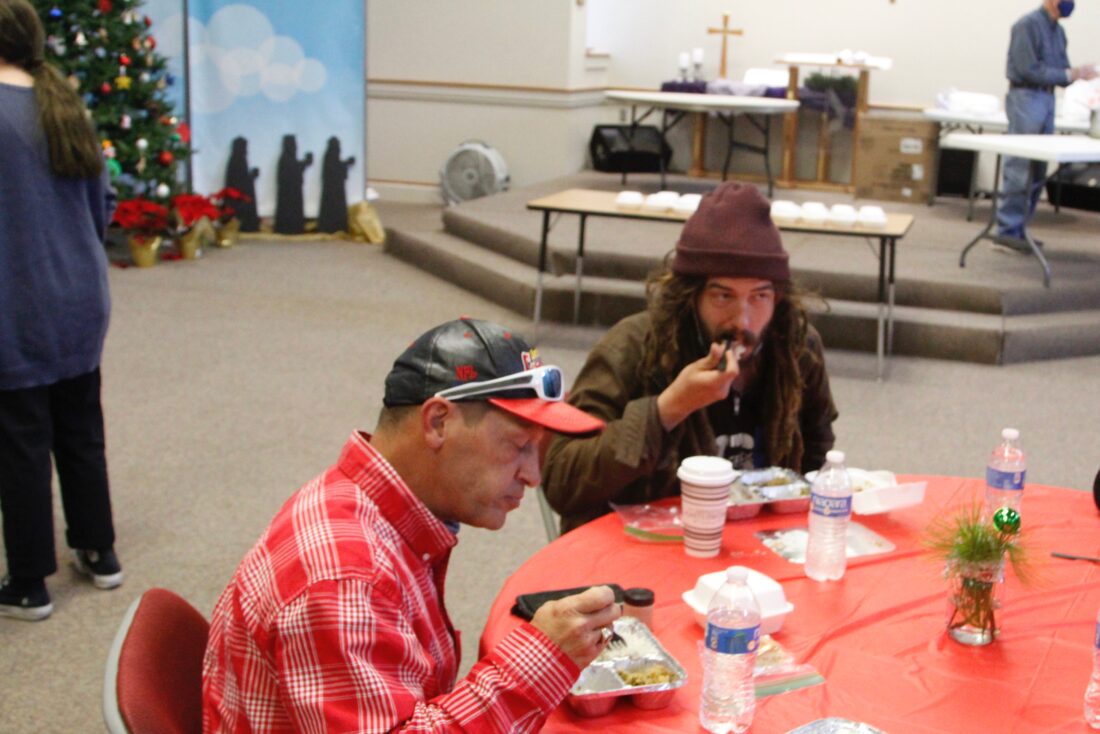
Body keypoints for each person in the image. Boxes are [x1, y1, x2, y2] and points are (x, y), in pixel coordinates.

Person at [202, 318, 620, 733]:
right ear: (438, 422)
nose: (533, 475)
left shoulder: (368, 512)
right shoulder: (346, 579)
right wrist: (536, 663)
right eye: (519, 445)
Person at [543, 182, 838, 533]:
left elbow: (816, 456)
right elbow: (562, 481)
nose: (742, 320)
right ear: (691, 297)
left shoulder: (796, 347)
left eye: (760, 297)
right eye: (723, 296)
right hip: (648, 542)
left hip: (752, 544)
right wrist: (668, 409)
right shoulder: (632, 347)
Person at [0, 0, 122, 622]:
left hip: (16, 303)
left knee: (20, 441)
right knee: (80, 430)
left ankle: (28, 583)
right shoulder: (67, 104)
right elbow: (101, 207)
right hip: (80, 297)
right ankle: (99, 552)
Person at [994, 0, 1096, 252]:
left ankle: (1019, 229)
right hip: (1026, 98)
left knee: (1038, 168)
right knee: (1020, 166)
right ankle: (1006, 230)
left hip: (1047, 99)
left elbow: (1061, 71)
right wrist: (1068, 75)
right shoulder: (1026, 26)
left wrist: (1079, 75)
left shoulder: (1058, 31)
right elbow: (1027, 69)